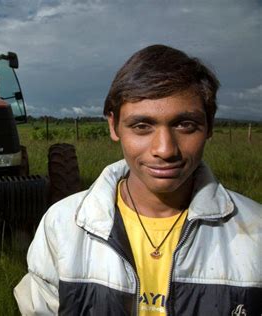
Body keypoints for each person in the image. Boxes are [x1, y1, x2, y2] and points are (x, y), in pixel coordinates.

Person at [14, 45, 262, 315]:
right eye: (142, 126)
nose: (165, 149)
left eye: (185, 125)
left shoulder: (256, 235)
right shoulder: (62, 227)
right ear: (113, 126)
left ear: (210, 126)